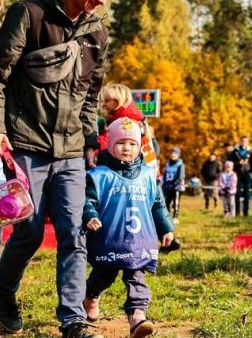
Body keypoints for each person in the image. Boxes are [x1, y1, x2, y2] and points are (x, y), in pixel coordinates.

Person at [0, 0, 118, 336]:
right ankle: (3, 291)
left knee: (74, 233)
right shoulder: (29, 14)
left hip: (70, 151)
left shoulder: (97, 33)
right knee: (30, 232)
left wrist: (90, 141)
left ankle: (72, 319)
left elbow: (90, 95)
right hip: (25, 144)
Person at [82, 118, 173, 338]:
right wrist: (90, 215)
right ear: (110, 145)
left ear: (139, 146)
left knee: (136, 277)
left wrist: (166, 228)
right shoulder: (98, 175)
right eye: (121, 143)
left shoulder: (148, 175)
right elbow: (87, 200)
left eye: (132, 144)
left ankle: (137, 317)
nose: (127, 148)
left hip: (139, 239)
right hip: (110, 237)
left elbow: (157, 204)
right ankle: (90, 297)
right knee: (104, 275)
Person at [229, 136, 252, 217]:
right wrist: (238, 163)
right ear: (240, 142)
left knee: (246, 194)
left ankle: (246, 213)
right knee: (237, 193)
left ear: (247, 142)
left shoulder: (250, 152)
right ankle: (237, 212)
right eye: (243, 141)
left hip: (246, 174)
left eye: (245, 141)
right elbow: (230, 162)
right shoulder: (235, 151)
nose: (244, 142)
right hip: (237, 174)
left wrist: (251, 172)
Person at [162, 147, 185, 223]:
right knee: (166, 202)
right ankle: (167, 216)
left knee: (176, 202)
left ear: (178, 155)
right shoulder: (167, 163)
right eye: (172, 153)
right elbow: (164, 174)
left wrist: (176, 183)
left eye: (175, 153)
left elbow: (181, 175)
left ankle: (175, 217)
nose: (173, 155)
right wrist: (164, 183)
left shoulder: (180, 164)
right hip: (168, 186)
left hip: (176, 187)